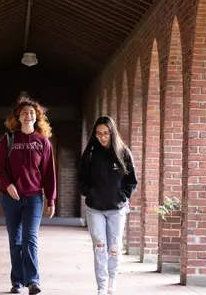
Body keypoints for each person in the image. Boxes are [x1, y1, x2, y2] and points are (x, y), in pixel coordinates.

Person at [0, 96, 57, 294]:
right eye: (24, 113)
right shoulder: (9, 140)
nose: (28, 115)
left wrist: (51, 199)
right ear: (18, 117)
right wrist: (8, 184)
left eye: (31, 113)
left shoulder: (43, 142)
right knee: (15, 239)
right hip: (10, 197)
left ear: (36, 117)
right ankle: (17, 281)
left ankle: (33, 281)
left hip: (34, 197)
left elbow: (48, 172)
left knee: (30, 237)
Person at [78, 115, 138, 295]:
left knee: (114, 246)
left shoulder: (123, 152)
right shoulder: (89, 154)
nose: (102, 137)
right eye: (98, 134)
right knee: (99, 246)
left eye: (105, 133)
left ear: (112, 133)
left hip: (116, 209)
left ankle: (112, 282)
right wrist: (89, 193)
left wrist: (123, 197)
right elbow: (82, 178)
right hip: (94, 208)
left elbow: (131, 180)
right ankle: (102, 287)